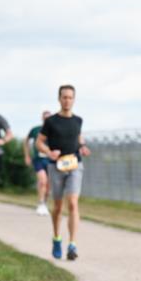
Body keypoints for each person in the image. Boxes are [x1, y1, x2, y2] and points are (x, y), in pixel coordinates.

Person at [36, 85, 90, 261]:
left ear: (74, 99)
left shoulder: (78, 120)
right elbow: (39, 142)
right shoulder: (51, 121)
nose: (67, 100)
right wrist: (48, 152)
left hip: (74, 165)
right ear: (59, 99)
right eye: (64, 97)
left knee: (73, 203)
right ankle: (57, 238)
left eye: (70, 97)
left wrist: (82, 146)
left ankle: (72, 244)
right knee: (58, 207)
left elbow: (78, 136)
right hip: (56, 167)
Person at [25, 110, 52, 215]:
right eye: (45, 118)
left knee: (48, 184)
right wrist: (27, 155)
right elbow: (26, 140)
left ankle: (44, 203)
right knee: (42, 180)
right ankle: (40, 203)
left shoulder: (54, 130)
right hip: (39, 159)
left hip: (51, 160)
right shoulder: (36, 130)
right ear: (42, 118)